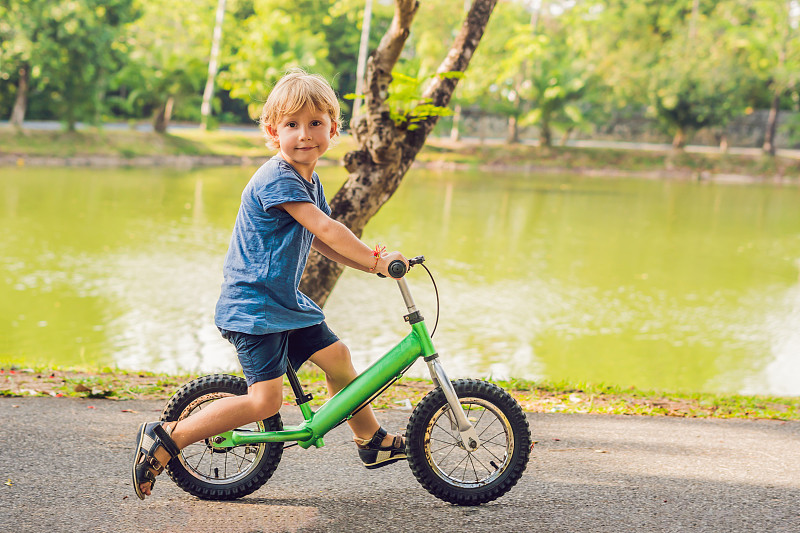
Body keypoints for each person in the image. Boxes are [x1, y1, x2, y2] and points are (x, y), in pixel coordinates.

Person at [131, 69, 409, 500]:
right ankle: (168, 437)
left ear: (334, 129)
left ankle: (370, 440)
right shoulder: (278, 177)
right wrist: (376, 257)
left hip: (282, 304)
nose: (305, 135)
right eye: (292, 125)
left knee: (338, 359)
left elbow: (322, 241)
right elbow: (329, 229)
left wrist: (372, 268)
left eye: (316, 123)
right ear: (272, 131)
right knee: (264, 403)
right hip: (255, 307)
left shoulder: (310, 181)